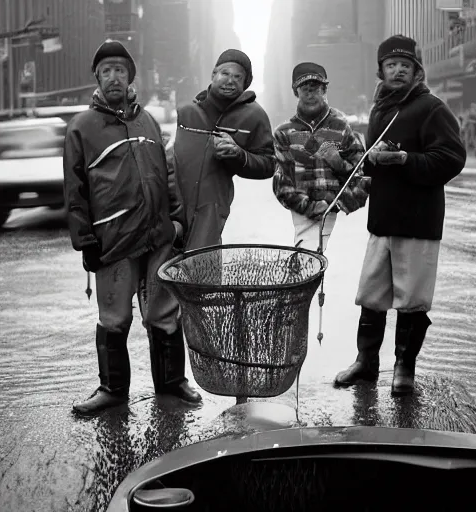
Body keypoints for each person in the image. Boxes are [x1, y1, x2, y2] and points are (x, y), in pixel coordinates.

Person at [63, 39, 202, 416]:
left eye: (120, 70)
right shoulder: (82, 128)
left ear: (129, 77)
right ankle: (112, 389)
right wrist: (85, 241)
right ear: (97, 78)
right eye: (106, 71)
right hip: (113, 241)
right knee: (115, 318)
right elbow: (74, 191)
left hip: (157, 236)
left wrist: (176, 221)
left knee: (162, 313)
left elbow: (167, 172)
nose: (113, 77)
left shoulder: (148, 121)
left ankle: (172, 383)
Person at [334, 35, 466, 395]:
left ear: (416, 71)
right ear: (381, 70)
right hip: (382, 221)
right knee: (372, 295)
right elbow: (371, 167)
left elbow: (452, 158)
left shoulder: (432, 107)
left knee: (411, 299)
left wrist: (406, 159)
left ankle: (404, 369)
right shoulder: (379, 110)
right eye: (391, 65)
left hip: (418, 221)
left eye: (404, 66)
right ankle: (366, 363)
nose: (397, 71)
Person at [171, 49, 275, 250]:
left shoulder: (254, 116)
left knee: (203, 267)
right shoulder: (187, 112)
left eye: (238, 77)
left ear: (245, 83)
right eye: (225, 74)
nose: (230, 81)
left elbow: (269, 165)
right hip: (173, 204)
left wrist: (239, 155)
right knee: (164, 268)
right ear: (213, 75)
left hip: (212, 208)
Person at [272, 62, 370, 253]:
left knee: (329, 267)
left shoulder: (342, 127)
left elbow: (361, 175)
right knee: (306, 267)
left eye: (315, 88)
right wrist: (310, 207)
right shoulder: (283, 133)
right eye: (304, 89)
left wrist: (338, 166)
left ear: (324, 90)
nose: (310, 94)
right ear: (296, 93)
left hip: (340, 214)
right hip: (302, 215)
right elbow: (281, 183)